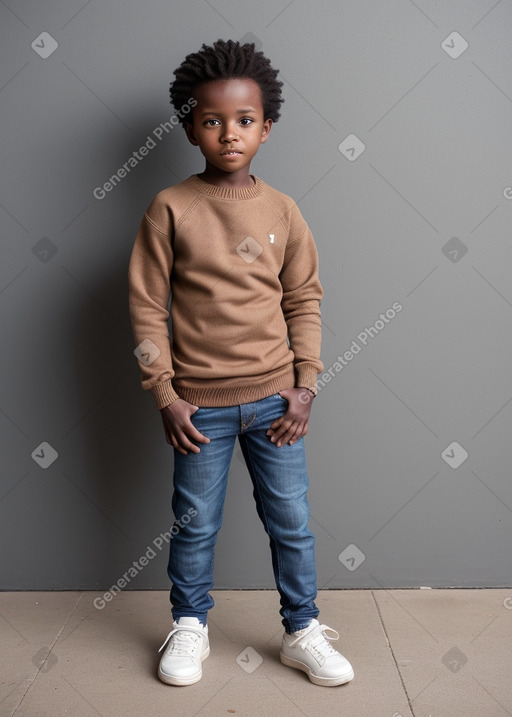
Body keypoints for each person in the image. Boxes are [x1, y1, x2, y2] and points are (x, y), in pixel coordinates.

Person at [128, 38, 354, 688]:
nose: (230, 133)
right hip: (198, 406)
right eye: (213, 120)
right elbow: (147, 308)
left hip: (276, 402)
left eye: (245, 120)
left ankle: (302, 629)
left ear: (267, 126)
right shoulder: (170, 207)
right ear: (190, 126)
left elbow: (304, 298)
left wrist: (306, 384)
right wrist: (164, 392)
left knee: (292, 522)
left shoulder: (283, 209)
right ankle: (190, 625)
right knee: (195, 523)